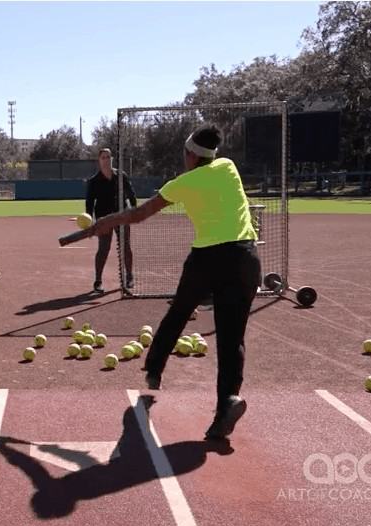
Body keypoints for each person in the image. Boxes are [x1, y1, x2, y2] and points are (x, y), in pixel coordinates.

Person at [90, 125, 261, 440]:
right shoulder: (228, 167)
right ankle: (227, 403)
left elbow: (140, 213)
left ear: (192, 155)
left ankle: (154, 368)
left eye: (186, 153)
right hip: (247, 257)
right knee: (231, 337)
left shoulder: (183, 183)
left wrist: (106, 222)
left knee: (180, 311)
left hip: (208, 259)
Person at [85, 148, 136, 294]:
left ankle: (129, 277)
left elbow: (131, 195)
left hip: (122, 216)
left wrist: (134, 210)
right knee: (103, 248)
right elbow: (89, 203)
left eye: (108, 157)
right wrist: (90, 220)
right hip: (104, 219)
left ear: (112, 159)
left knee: (126, 246)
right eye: (103, 158)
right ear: (99, 161)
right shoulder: (94, 181)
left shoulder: (121, 176)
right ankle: (98, 281)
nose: (106, 160)